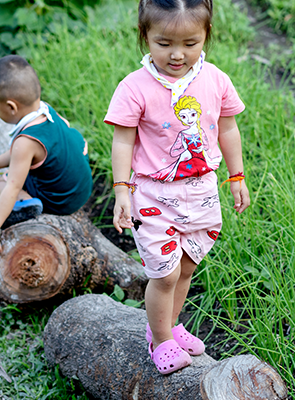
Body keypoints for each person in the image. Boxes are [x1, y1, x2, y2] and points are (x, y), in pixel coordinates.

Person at [105, 0, 250, 374]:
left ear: (206, 36)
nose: (177, 54)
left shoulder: (215, 80)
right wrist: (122, 189)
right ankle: (160, 338)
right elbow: (123, 141)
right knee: (164, 273)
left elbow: (229, 129)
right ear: (145, 37)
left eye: (190, 42)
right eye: (164, 42)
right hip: (153, 193)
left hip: (201, 190)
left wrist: (236, 176)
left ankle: (171, 323)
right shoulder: (134, 87)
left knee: (185, 267)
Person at [0, 55, 92, 254]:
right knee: (25, 168)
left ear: (11, 107)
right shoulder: (46, 110)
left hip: (61, 201)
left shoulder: (26, 141)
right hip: (80, 188)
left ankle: (26, 203)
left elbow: (13, 186)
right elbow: (19, 154)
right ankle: (29, 199)